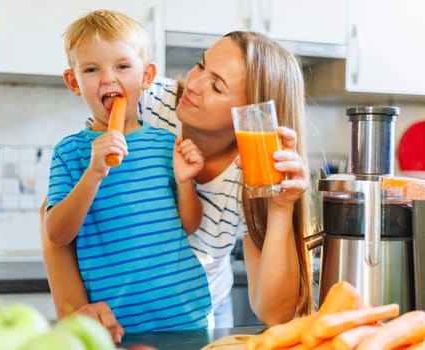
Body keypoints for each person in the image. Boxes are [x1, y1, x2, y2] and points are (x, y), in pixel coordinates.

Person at [41, 29, 314, 340]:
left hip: (197, 316)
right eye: (200, 64)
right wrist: (75, 311)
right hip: (117, 319)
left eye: (216, 86)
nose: (193, 84)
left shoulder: (256, 165)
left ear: (250, 114)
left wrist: (281, 207)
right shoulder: (145, 99)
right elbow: (55, 213)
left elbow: (275, 313)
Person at [44, 9, 212, 334]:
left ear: (146, 75)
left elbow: (190, 226)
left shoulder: (168, 145)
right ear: (73, 82)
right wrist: (93, 172)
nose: (108, 78)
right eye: (91, 69)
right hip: (115, 328)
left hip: (185, 319)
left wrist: (185, 181)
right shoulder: (71, 153)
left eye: (122, 66)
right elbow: (57, 234)